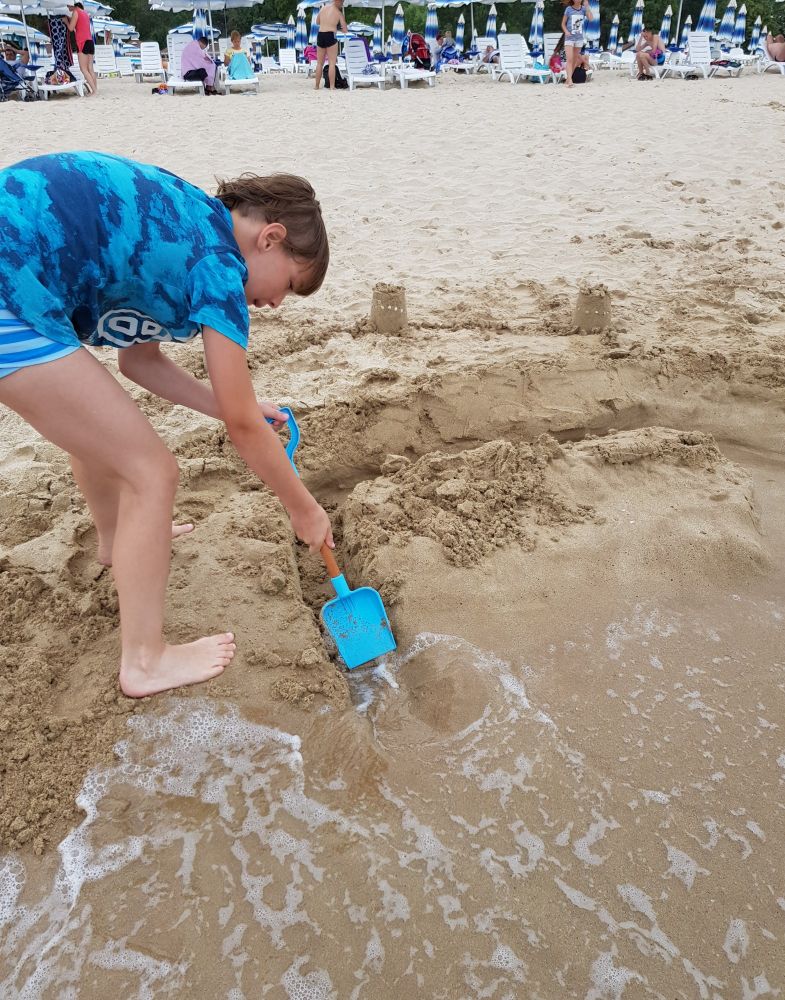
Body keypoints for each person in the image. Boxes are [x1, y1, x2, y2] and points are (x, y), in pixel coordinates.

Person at [0, 151, 334, 699]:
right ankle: (145, 662)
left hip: (22, 272)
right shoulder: (218, 263)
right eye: (289, 285)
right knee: (152, 473)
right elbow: (245, 431)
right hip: (11, 287)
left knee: (100, 432)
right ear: (270, 238)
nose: (275, 302)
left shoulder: (185, 226)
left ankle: (115, 541)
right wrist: (305, 508)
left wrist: (237, 408)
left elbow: (140, 362)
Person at [314, 0, 347, 90]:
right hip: (330, 35)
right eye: (342, 2)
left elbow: (317, 22)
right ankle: (332, 87)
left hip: (320, 34)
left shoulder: (323, 8)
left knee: (319, 63)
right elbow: (345, 30)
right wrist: (337, 27)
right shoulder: (339, 13)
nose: (342, 4)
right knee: (332, 63)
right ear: (338, 2)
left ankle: (316, 86)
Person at [561, 0, 593, 88]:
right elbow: (563, 24)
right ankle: (570, 80)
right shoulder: (568, 9)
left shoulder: (583, 9)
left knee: (575, 60)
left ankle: (568, 79)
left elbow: (591, 18)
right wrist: (566, 31)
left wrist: (587, 7)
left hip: (579, 39)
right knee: (570, 59)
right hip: (569, 38)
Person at [68, 3, 97, 96]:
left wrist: (65, 21)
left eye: (68, 6)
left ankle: (94, 91)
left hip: (82, 42)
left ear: (74, 5)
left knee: (83, 69)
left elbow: (71, 28)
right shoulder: (85, 13)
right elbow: (80, 27)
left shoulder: (76, 12)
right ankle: (95, 89)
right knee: (90, 68)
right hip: (90, 41)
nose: (68, 7)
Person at [46, 13, 76, 84]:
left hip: (55, 18)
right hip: (56, 18)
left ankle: (64, 75)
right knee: (60, 50)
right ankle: (66, 76)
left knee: (60, 50)